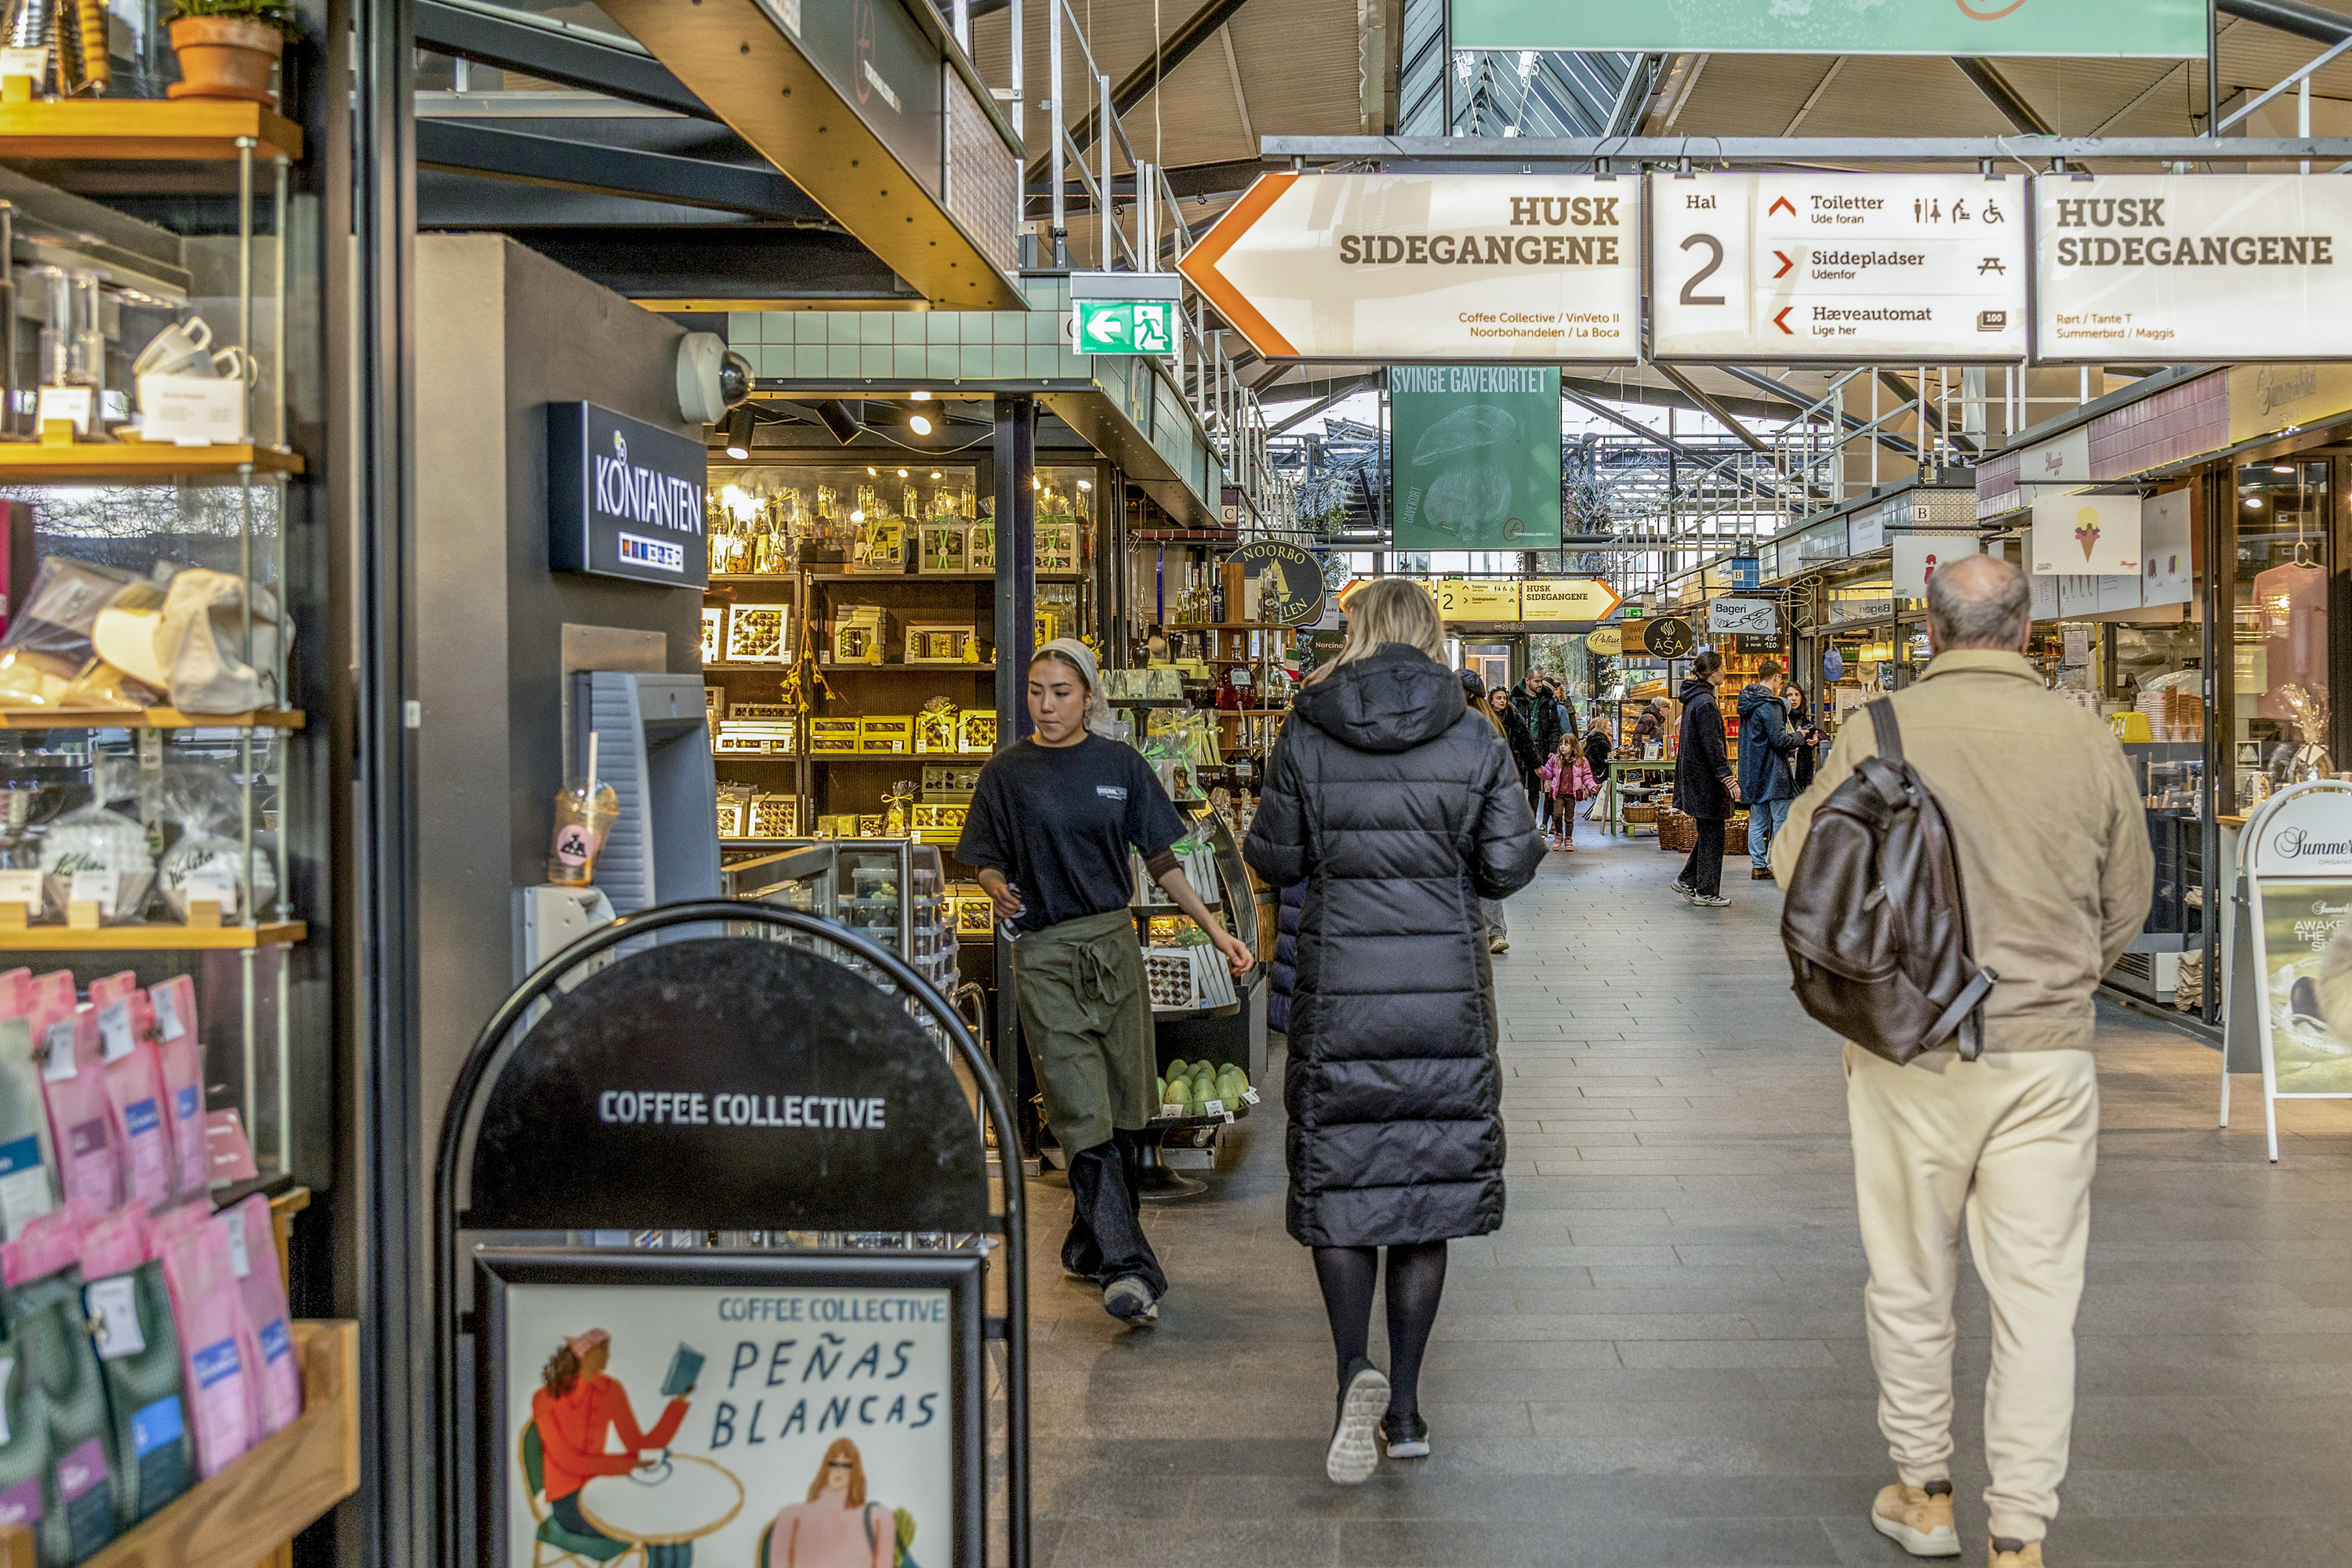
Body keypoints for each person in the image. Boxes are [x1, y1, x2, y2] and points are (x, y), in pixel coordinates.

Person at [1772, 555, 2154, 1568]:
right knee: (2038, 1304)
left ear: (1930, 632)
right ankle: (2020, 1534)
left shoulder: (1876, 732)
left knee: (1908, 1275)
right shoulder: (2085, 736)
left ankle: (1926, 1492)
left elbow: (1791, 867)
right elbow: (2130, 901)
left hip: (1908, 1051)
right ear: (2025, 631)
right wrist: (2056, 982)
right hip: (2048, 1060)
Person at [1243, 579, 1542, 1486]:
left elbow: (1276, 854)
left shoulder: (1306, 729)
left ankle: (1352, 1376)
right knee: (1425, 1190)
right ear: (1435, 634)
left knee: (1341, 1184)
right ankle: (1405, 1409)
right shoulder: (1474, 733)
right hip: (1443, 995)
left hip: (1342, 994)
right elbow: (1504, 862)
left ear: (1358, 630)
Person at [956, 638, 1252, 1325]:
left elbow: (1162, 860)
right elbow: (985, 859)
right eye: (1036, 690)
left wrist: (1218, 932)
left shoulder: (1120, 765)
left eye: (1061, 691)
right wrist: (995, 886)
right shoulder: (1007, 773)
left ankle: (1089, 1244)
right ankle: (1131, 1268)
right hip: (1047, 957)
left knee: (1123, 1108)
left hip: (1115, 952)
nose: (1046, 704)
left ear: (1089, 697)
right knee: (1080, 1110)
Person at [530, 1328, 694, 1567]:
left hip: (603, 1492)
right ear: (585, 1354)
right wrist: (626, 1464)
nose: (608, 1357)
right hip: (569, 1504)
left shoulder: (610, 1389)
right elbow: (569, 1461)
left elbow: (639, 1443)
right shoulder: (545, 1398)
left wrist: (678, 1402)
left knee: (676, 1529)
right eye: (603, 1350)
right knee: (656, 1528)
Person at [1671, 649, 1739, 907]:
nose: (1725, 672)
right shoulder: (1706, 704)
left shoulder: (1694, 699)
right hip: (1706, 781)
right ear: (1713, 673)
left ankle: (1687, 880)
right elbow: (1713, 746)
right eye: (1722, 668)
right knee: (1713, 834)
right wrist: (1727, 778)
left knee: (1709, 833)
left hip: (1696, 778)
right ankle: (1706, 890)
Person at [764, 1439, 896, 1568]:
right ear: (825, 1468)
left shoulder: (879, 1517)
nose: (839, 1470)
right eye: (833, 1464)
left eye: (846, 1465)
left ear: (854, 1472)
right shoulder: (791, 1515)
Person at [1458, 670, 1516, 954]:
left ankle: (1485, 931)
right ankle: (1493, 932)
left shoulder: (1467, 724)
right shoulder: (1490, 724)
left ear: (1467, 693)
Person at [1735, 658, 1803, 882]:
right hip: (1774, 773)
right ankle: (1777, 864)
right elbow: (1779, 740)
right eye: (1779, 679)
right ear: (1775, 678)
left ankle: (1758, 866)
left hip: (1753, 772)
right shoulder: (1770, 705)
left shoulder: (1747, 702)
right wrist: (1799, 737)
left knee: (1757, 821)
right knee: (1781, 820)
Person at [1489, 684, 1541, 817]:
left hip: (1514, 765)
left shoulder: (1514, 718)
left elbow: (1526, 742)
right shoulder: (1486, 718)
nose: (1502, 701)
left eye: (1504, 698)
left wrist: (1536, 763)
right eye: (1499, 698)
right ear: (1491, 700)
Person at [1540, 737, 1581, 851]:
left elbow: (1586, 775)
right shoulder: (1555, 760)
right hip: (1558, 793)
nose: (1562, 747)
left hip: (1571, 794)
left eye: (1566, 744)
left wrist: (1592, 786)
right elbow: (1548, 773)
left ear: (1573, 747)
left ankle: (1568, 839)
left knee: (1569, 818)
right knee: (1557, 815)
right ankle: (1558, 835)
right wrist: (1541, 771)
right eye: (1561, 744)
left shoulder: (1579, 761)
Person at [1581, 715, 1614, 823]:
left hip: (1593, 773)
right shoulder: (1602, 743)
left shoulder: (1593, 740)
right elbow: (1605, 764)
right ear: (1604, 728)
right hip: (1598, 776)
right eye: (1610, 726)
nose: (1612, 728)